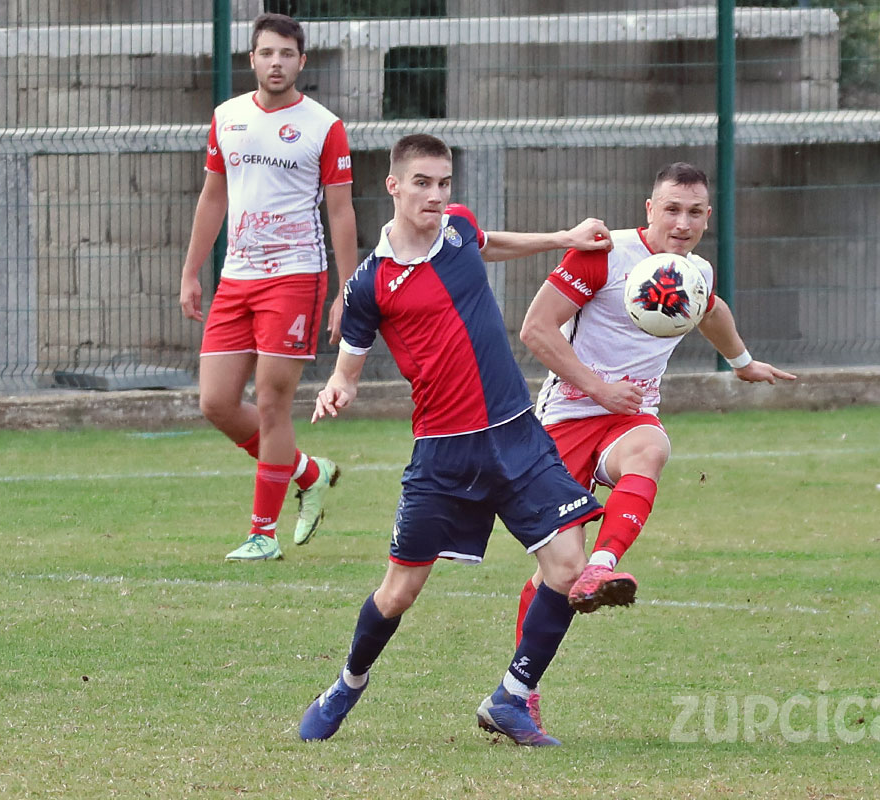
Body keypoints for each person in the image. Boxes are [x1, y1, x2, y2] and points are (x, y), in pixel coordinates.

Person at [297, 134, 614, 747]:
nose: (436, 196)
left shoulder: (459, 228)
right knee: (399, 594)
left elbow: (489, 242)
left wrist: (563, 238)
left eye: (444, 183)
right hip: (445, 454)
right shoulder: (369, 283)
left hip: (518, 435)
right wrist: (337, 387)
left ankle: (511, 699)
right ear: (393, 186)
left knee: (568, 568)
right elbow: (348, 367)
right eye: (422, 183)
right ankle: (347, 684)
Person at [514, 161, 796, 729]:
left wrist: (741, 362)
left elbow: (710, 310)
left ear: (708, 217)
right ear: (650, 209)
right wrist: (598, 388)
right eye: (672, 209)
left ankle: (603, 566)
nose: (682, 223)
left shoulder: (696, 271)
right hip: (564, 420)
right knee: (556, 576)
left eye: (694, 213)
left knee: (651, 449)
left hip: (629, 419)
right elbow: (535, 329)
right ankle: (519, 691)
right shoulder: (601, 254)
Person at [179, 13, 358, 561]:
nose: (275, 63)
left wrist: (346, 289)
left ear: (301, 62)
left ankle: (264, 535)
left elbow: (341, 211)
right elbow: (213, 196)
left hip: (296, 276)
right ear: (252, 59)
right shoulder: (227, 117)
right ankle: (309, 472)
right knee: (215, 402)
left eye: (286, 53)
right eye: (266, 53)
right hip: (236, 277)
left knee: (272, 403)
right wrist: (191, 271)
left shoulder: (323, 126)